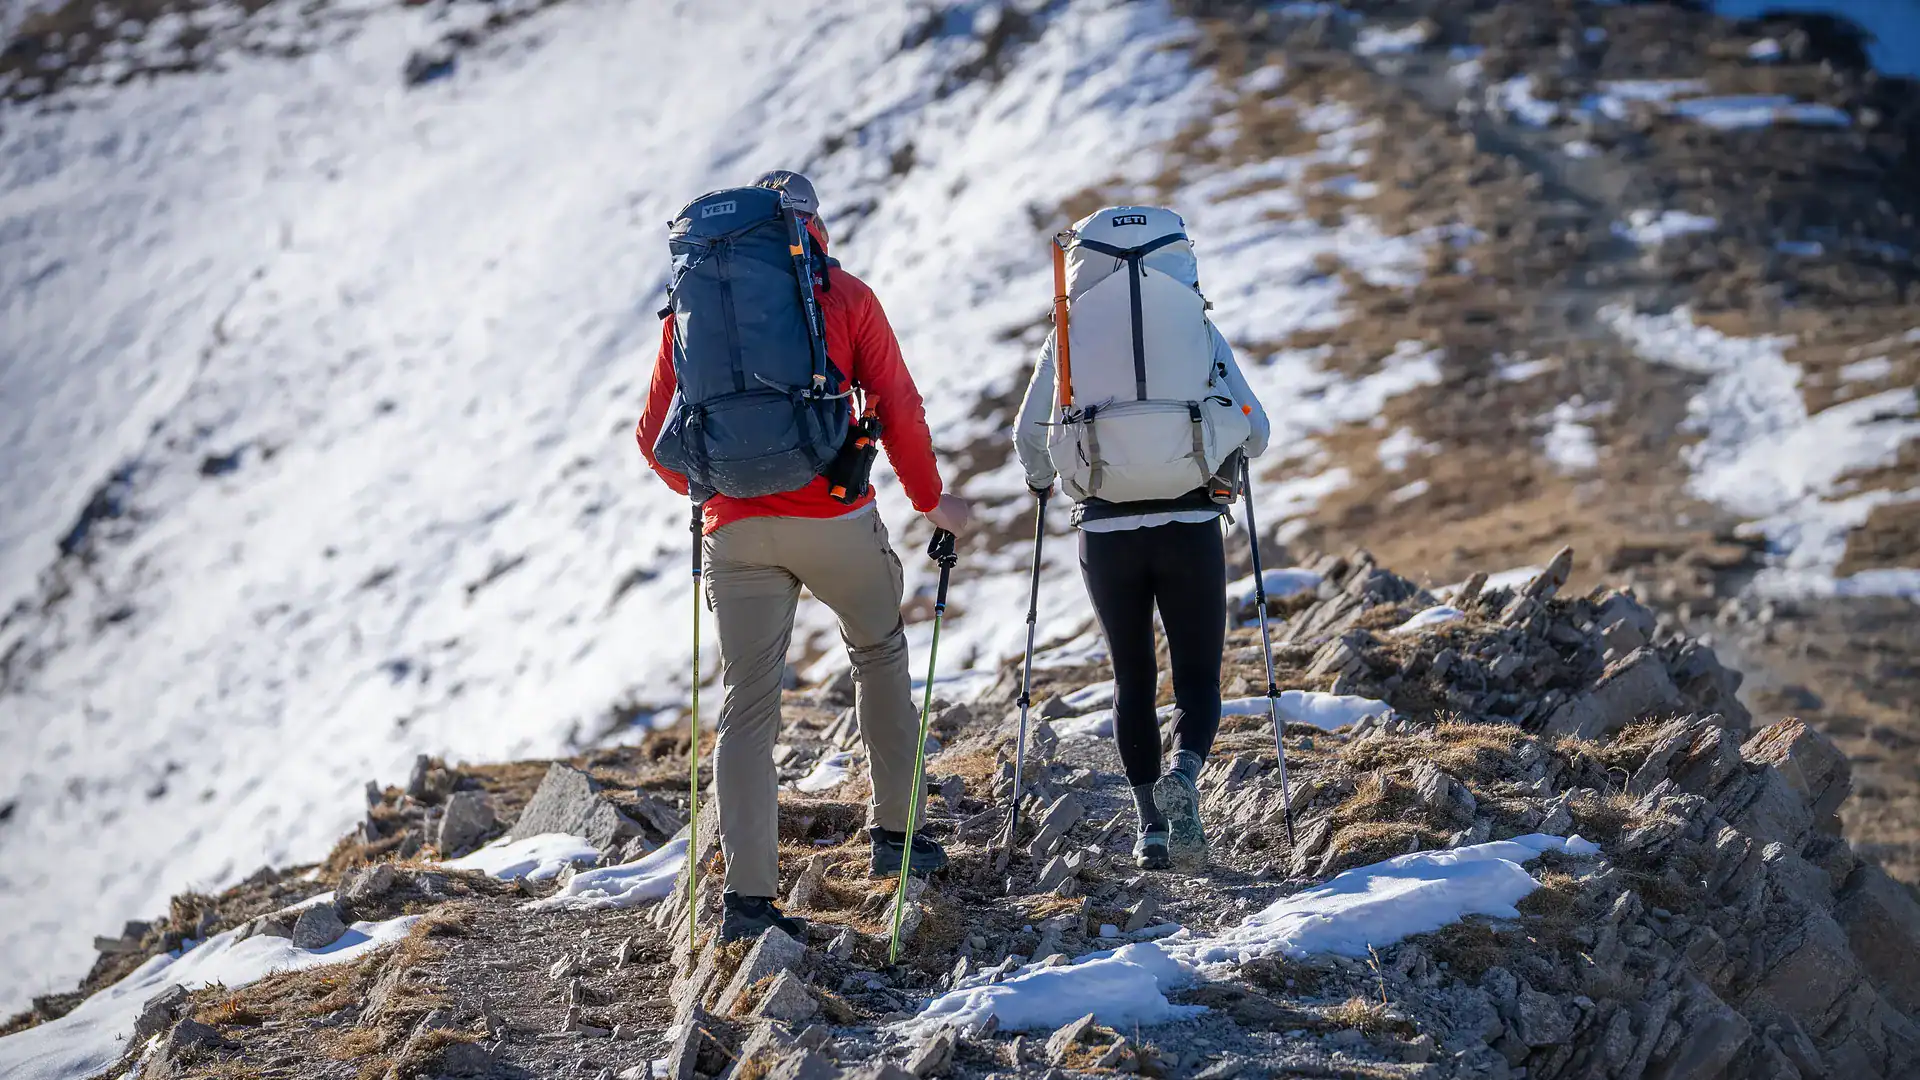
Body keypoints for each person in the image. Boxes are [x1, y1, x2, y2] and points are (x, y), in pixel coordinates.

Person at [638, 170, 973, 941]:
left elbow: (653, 437)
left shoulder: (691, 310)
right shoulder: (845, 296)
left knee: (747, 709)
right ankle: (898, 841)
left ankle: (748, 905)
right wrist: (932, 501)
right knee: (879, 653)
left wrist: (720, 489)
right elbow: (898, 409)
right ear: (809, 227)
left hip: (733, 532)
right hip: (834, 515)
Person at [1012, 206, 1269, 872]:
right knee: (1196, 681)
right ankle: (1184, 775)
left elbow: (1027, 437)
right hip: (1190, 523)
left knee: (1133, 678)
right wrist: (1224, 459)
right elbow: (1256, 427)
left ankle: (1150, 829)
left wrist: (1048, 480)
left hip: (1107, 530)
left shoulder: (1066, 335)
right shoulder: (1195, 325)